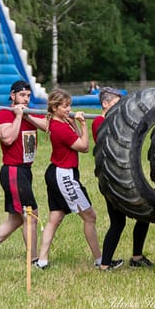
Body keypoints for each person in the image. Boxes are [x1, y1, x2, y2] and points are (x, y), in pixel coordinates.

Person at [0, 80, 48, 263]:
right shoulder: (2, 116)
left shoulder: (29, 115)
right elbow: (8, 138)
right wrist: (17, 117)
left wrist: (27, 116)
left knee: (16, 219)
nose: (26, 99)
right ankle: (34, 260)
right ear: (12, 96)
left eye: (28, 96)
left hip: (25, 171)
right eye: (22, 95)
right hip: (13, 171)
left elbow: (48, 127)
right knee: (31, 214)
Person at [34, 88, 102, 269]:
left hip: (56, 172)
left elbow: (43, 122)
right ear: (55, 108)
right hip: (64, 175)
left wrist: (72, 120)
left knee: (55, 218)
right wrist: (84, 125)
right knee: (90, 217)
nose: (68, 109)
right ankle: (100, 261)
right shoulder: (61, 128)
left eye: (69, 105)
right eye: (65, 106)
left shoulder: (58, 122)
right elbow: (84, 147)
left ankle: (42, 260)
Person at [92, 87, 155, 271]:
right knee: (118, 223)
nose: (120, 107)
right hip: (111, 180)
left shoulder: (118, 121)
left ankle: (137, 257)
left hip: (124, 177)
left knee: (145, 215)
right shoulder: (99, 121)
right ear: (105, 104)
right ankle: (105, 264)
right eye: (115, 103)